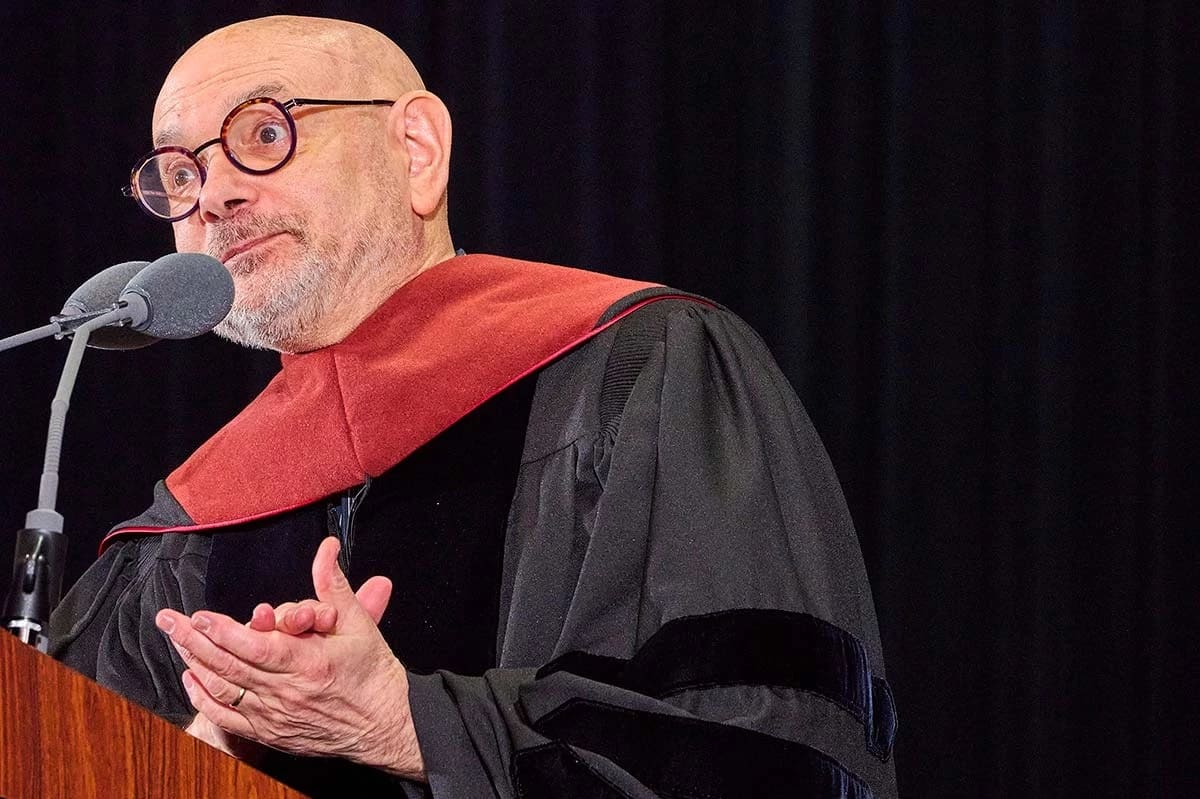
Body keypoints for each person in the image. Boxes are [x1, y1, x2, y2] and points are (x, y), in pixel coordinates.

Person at [49, 15, 899, 799]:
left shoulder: (650, 367)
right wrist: (211, 741)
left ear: (416, 148)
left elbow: (765, 746)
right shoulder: (192, 519)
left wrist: (408, 725)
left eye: (265, 135)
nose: (216, 196)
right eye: (180, 172)